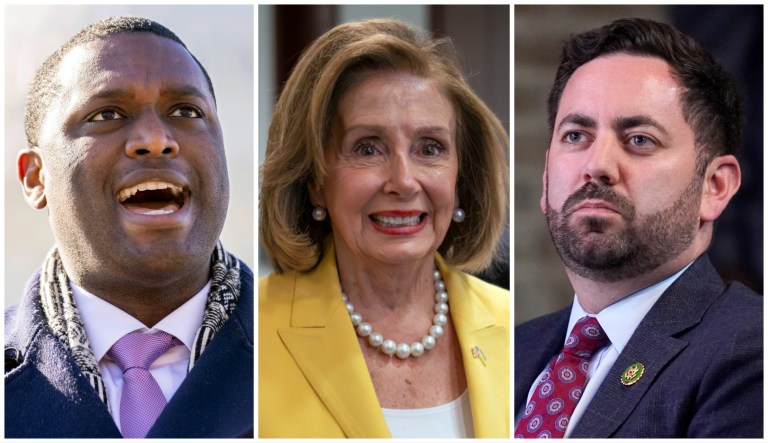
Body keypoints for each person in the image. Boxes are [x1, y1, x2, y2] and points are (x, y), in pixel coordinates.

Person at [259, 18, 509, 438]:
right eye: (368, 147)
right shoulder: (252, 332)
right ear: (316, 181)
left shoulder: (516, 329)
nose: (404, 181)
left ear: (460, 177)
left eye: (430, 148)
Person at [5, 16, 253, 438]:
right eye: (107, 114)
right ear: (35, 177)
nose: (156, 138)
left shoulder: (312, 355)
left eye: (186, 111)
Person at [514, 18, 762, 438]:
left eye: (639, 140)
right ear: (544, 180)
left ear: (714, 187)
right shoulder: (513, 348)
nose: (597, 165)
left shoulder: (750, 353)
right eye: (576, 136)